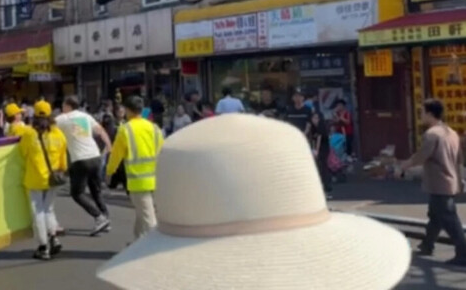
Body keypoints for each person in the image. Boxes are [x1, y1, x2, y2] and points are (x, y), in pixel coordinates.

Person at [96, 115, 410, 290]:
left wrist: (110, 174)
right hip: (157, 183)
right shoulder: (153, 128)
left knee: (146, 215)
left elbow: (120, 156)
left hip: (146, 184)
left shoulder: (130, 130)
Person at [402, 99, 466, 266]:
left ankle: (463, 253)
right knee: (436, 216)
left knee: (449, 220)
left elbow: (422, 156)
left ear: (430, 114)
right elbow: (459, 159)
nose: (421, 116)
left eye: (422, 112)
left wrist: (404, 165)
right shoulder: (451, 133)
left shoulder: (432, 135)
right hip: (451, 181)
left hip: (439, 182)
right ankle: (427, 244)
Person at [106, 96, 164, 240]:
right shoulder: (154, 128)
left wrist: (109, 172)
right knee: (142, 213)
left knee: (148, 219)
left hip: (138, 180)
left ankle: (154, 249)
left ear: (128, 110)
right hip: (156, 178)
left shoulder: (125, 130)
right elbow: (163, 151)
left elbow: (116, 155)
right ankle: (137, 243)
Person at [55, 96, 113, 235]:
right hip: (95, 156)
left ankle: (99, 217)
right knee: (96, 190)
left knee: (77, 193)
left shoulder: (63, 118)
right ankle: (105, 218)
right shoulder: (86, 116)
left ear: (68, 106)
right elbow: (101, 131)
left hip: (80, 159)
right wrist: (109, 147)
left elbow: (47, 128)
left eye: (63, 105)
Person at [19, 100, 67, 260]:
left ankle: (43, 247)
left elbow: (23, 154)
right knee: (48, 209)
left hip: (35, 179)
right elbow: (63, 161)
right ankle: (53, 237)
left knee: (38, 212)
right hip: (53, 179)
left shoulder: (29, 135)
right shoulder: (58, 134)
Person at [308, 112, 332, 196]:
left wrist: (316, 151)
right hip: (317, 148)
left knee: (323, 166)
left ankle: (326, 185)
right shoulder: (312, 128)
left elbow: (319, 139)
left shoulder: (321, 128)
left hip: (323, 148)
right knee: (320, 166)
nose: (315, 120)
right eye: (313, 118)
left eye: (316, 118)